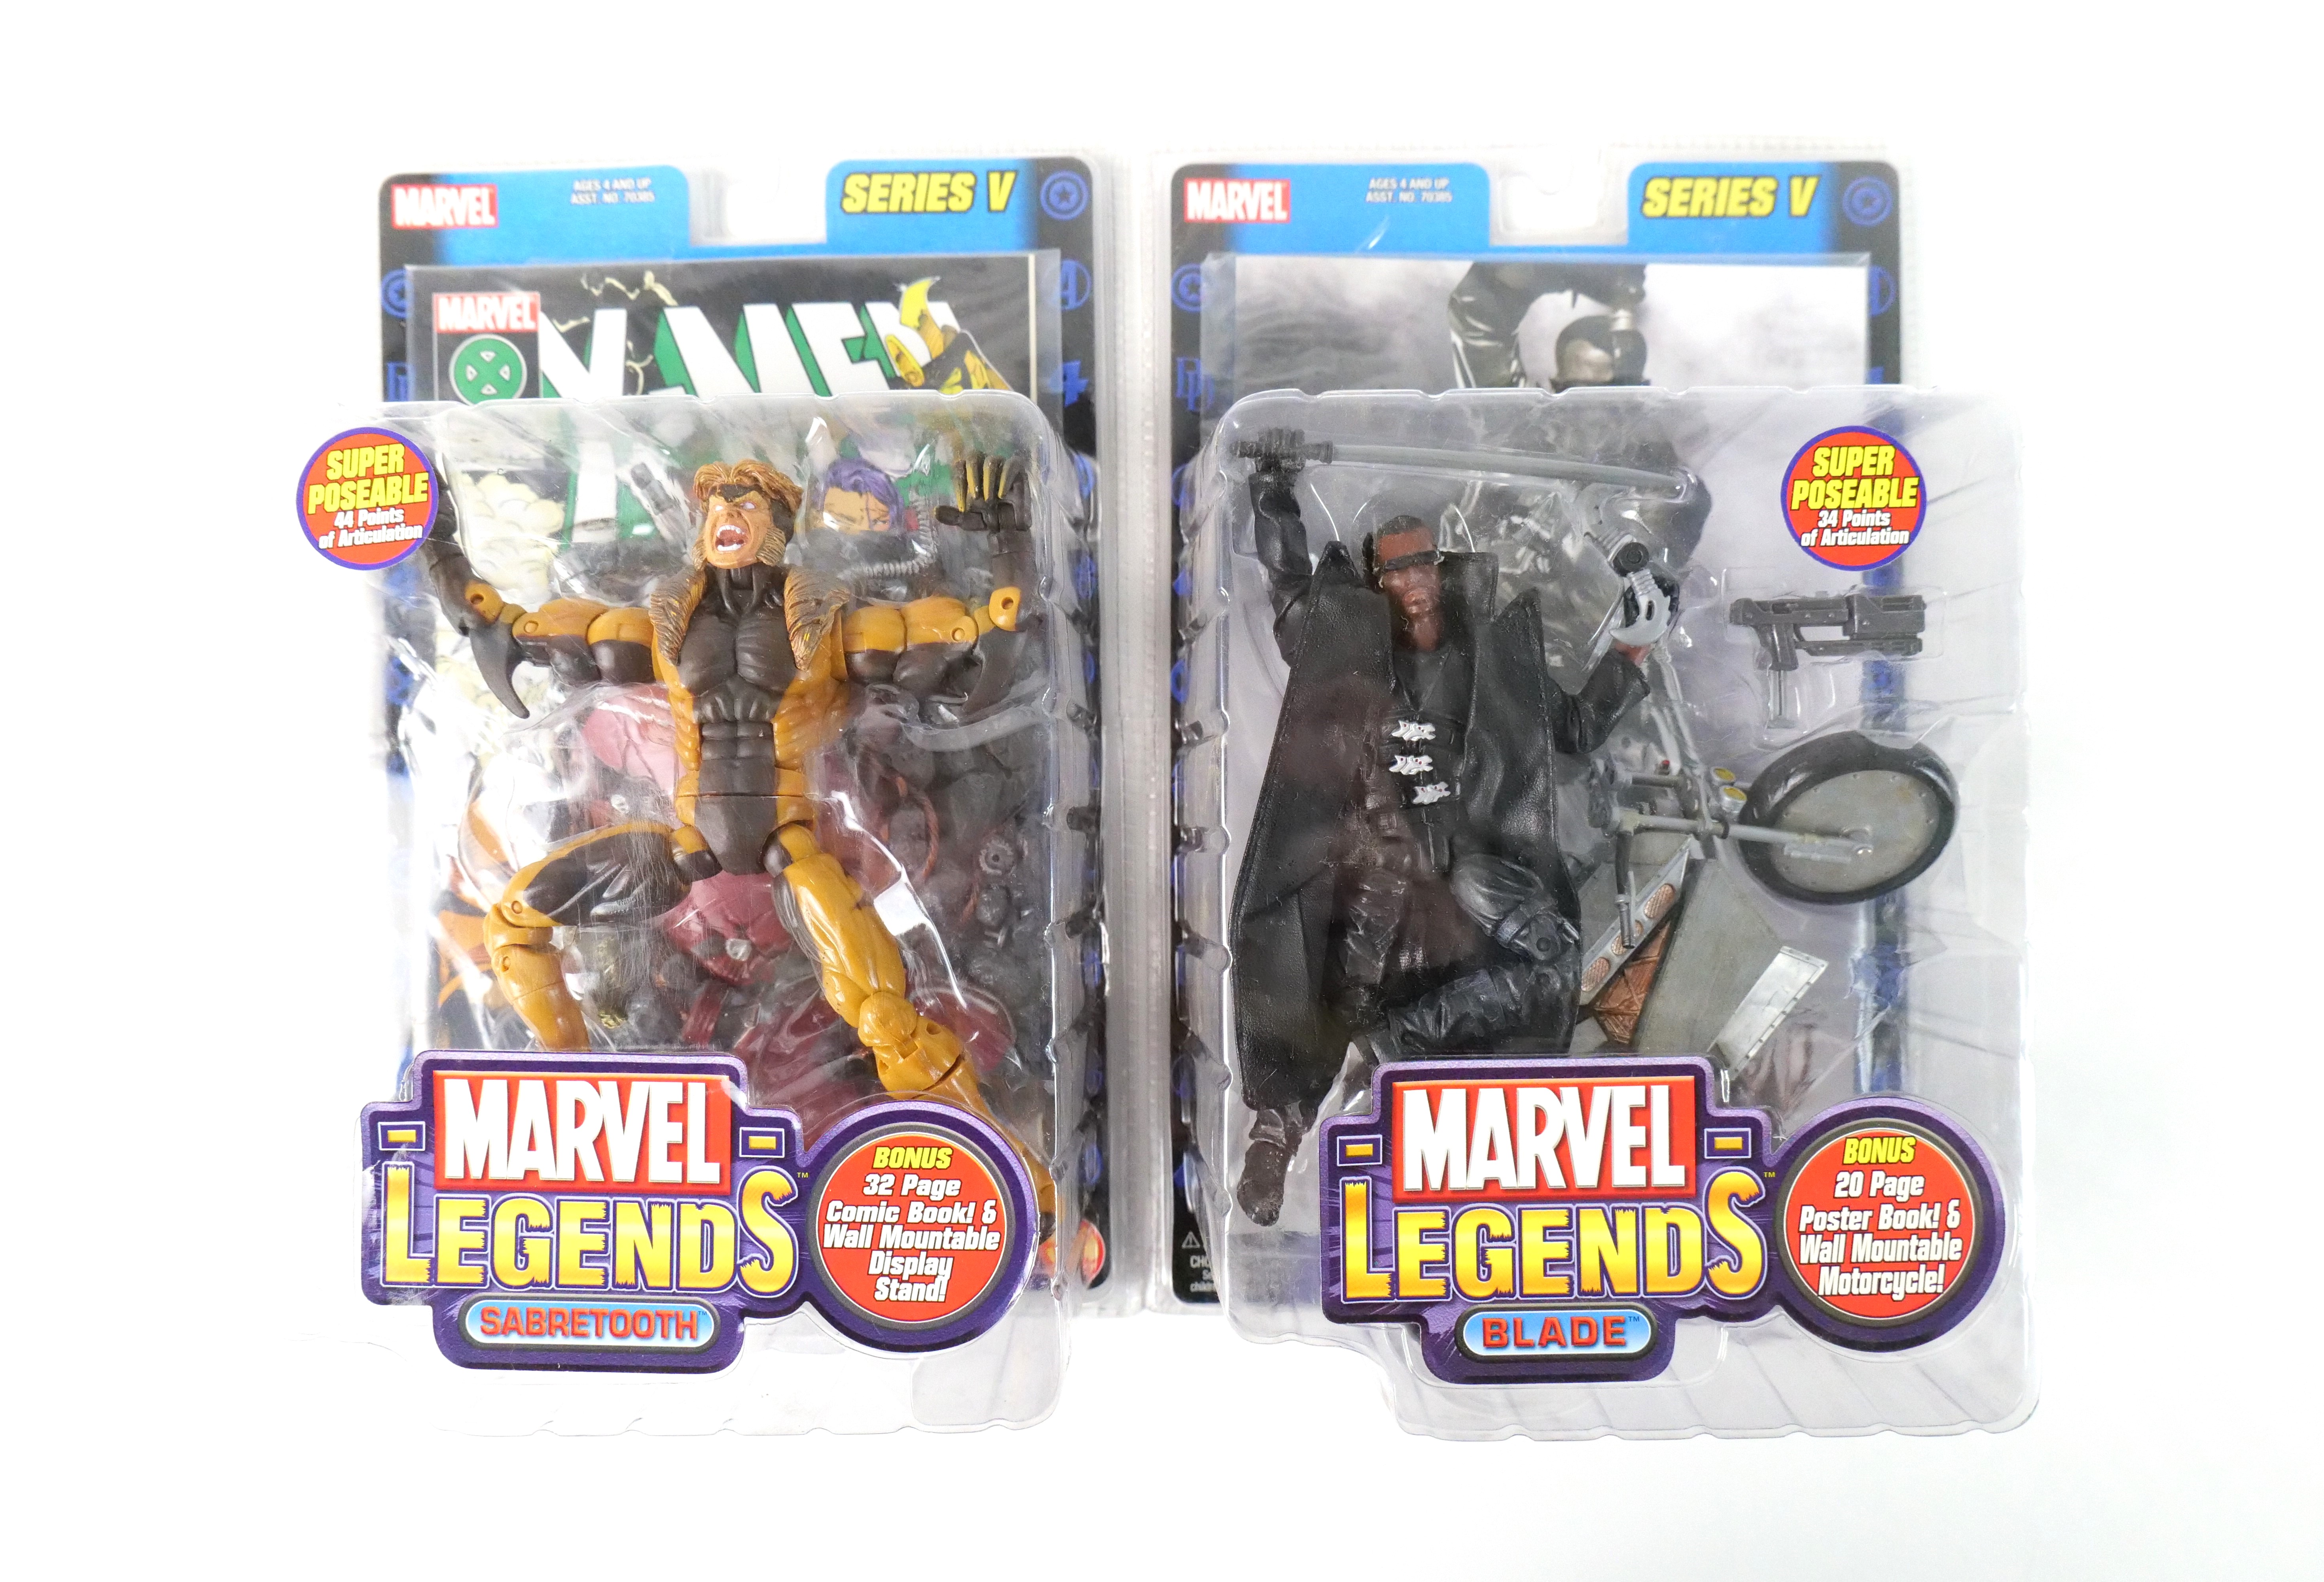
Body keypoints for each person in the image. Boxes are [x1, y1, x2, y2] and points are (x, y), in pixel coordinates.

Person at [1227, 431, 1672, 1223]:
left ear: (1441, 567)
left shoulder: (1494, 658)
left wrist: (1632, 653)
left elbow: (1574, 728)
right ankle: (1277, 1133)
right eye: (1395, 570)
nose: (1413, 582)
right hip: (1378, 868)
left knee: (1552, 964)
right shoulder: (1343, 649)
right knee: (1321, 984)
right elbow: (1289, 585)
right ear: (1377, 582)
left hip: (1477, 866)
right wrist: (1273, 489)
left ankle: (1419, 1060)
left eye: (1423, 563)